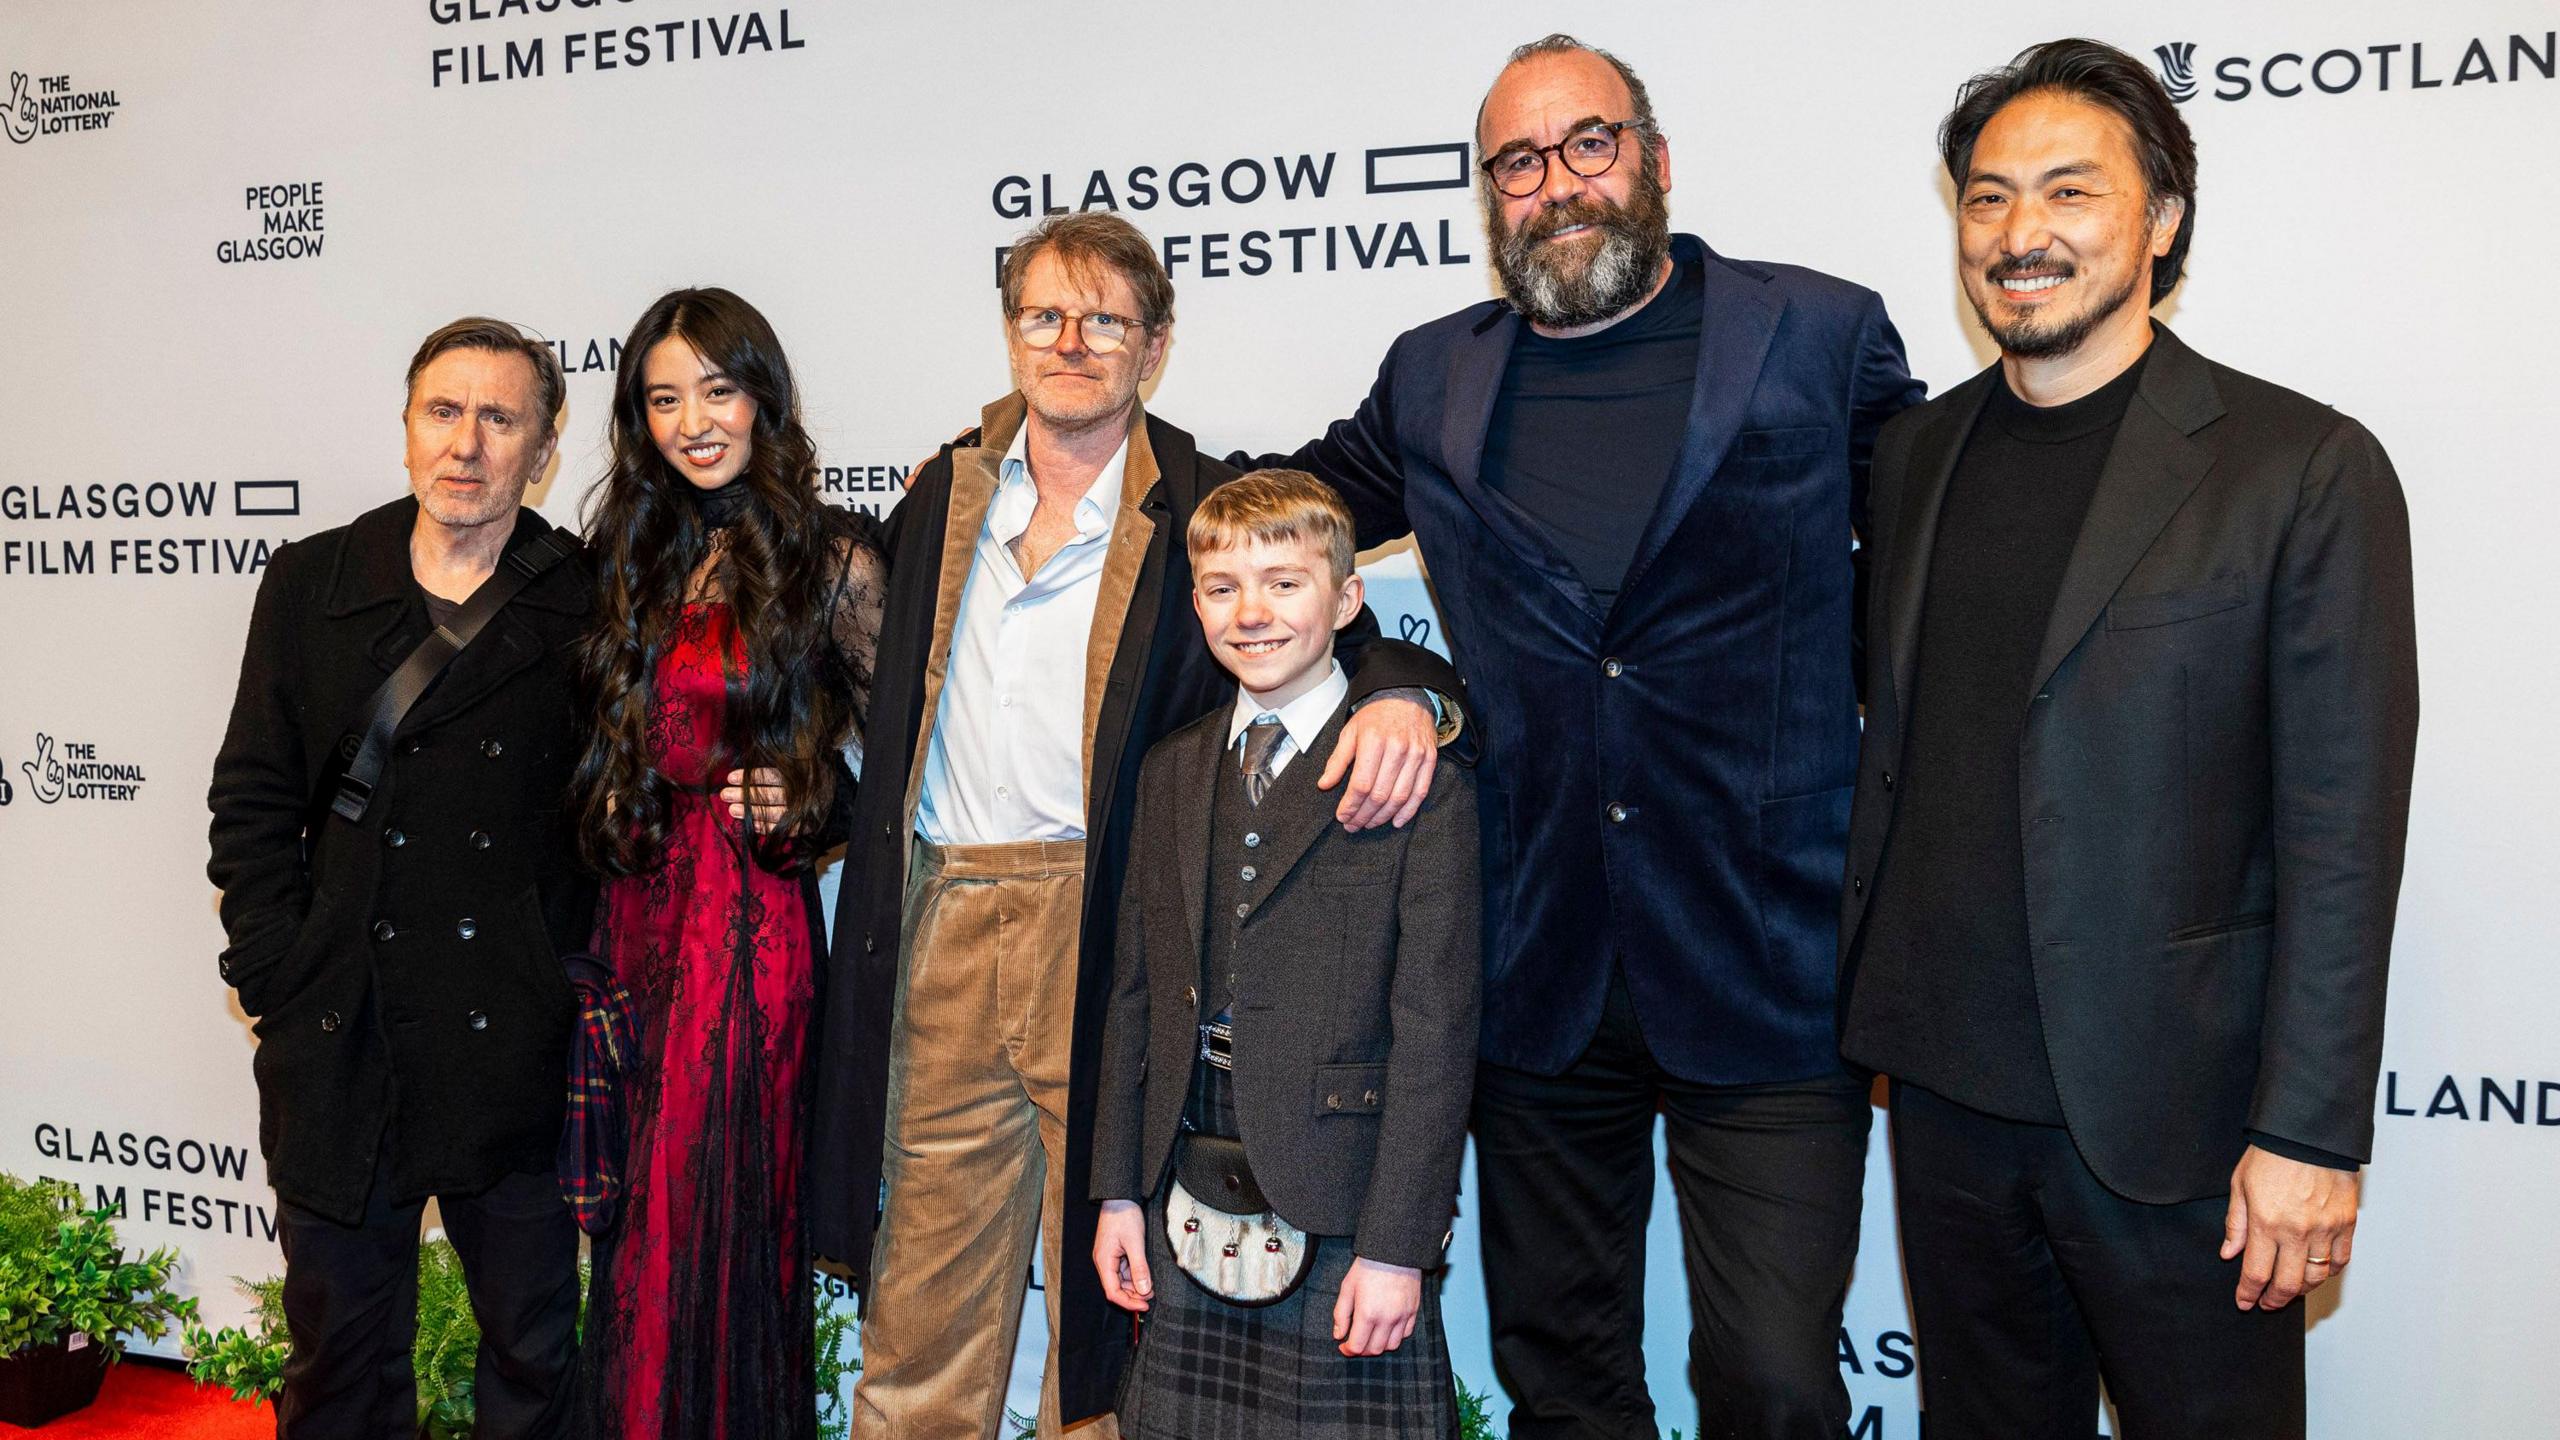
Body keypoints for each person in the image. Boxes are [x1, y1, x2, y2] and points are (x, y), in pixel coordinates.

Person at [1238, 33, 1923, 1438]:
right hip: (1539, 961)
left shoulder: (1819, 332)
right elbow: (1282, 532)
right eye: (1520, 164)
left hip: (1773, 963)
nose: (1559, 184)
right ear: (1493, 200)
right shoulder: (1432, 376)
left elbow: (1935, 568)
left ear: (1657, 162)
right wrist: (1398, 674)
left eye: (1589, 145)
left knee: (1778, 1384)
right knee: (1561, 1378)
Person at [1836, 38, 2418, 1440]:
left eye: (2067, 193)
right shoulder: (1917, 454)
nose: (2021, 234)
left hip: (2183, 1130)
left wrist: (2309, 1136)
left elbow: (2342, 833)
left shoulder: (2298, 466)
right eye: (1986, 199)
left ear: (2159, 222)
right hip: (1948, 1105)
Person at [807, 210, 1459, 1439]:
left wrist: (1412, 700)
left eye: (1105, 320)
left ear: (1154, 347)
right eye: (1045, 315)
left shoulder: (1208, 504)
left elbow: (1347, 644)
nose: (1071, 342)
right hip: (943, 913)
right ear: (1010, 334)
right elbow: (864, 700)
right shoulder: (942, 494)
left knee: (1110, 1306)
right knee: (922, 1295)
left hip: (1109, 925)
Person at [206, 317, 586, 1438]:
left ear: (542, 444)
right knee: (342, 1355)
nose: (466, 445)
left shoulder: (582, 599)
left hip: (509, 1038)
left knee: (532, 1349)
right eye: (444, 411)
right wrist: (280, 968)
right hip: (341, 1036)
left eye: (499, 418)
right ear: (409, 425)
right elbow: (254, 798)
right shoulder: (315, 581)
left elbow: (623, 812)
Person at [1089, 471, 1480, 1440]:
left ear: (1347, 600)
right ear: (1194, 603)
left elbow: (1435, 1036)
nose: (1250, 612)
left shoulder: (1418, 779)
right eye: (1221, 588)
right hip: (1183, 1184)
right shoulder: (1172, 768)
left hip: (1344, 1199)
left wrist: (1398, 1247)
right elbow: (1133, 995)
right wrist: (1115, 1192)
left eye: (1284, 584)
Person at [569, 287, 886, 1439]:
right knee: (633, 1222)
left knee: (706, 1224)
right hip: (632, 916)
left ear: (762, 396)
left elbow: (905, 757)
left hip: (746, 931)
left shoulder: (832, 557)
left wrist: (813, 796)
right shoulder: (626, 552)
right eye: (663, 398)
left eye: (716, 388)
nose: (693, 420)